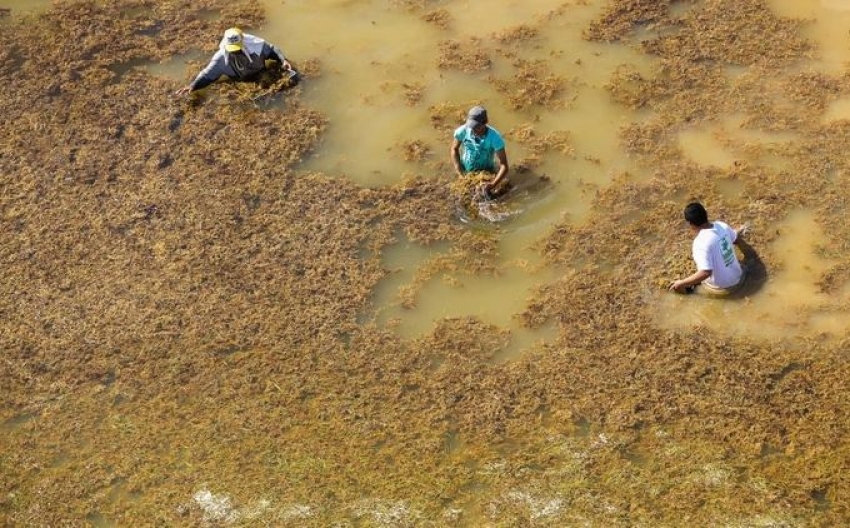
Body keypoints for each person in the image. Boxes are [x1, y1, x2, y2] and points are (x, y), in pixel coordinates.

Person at [175, 28, 294, 96]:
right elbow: (207, 75)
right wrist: (193, 86)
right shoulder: (221, 59)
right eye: (232, 49)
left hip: (263, 73)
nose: (235, 52)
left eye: (238, 49)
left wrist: (284, 60)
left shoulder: (256, 45)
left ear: (244, 42)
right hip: (243, 82)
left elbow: (273, 50)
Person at [669, 202, 747, 295]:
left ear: (690, 223)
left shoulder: (700, 243)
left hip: (722, 289)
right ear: (706, 214)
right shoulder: (722, 226)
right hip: (739, 276)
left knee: (678, 288)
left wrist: (681, 283)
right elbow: (736, 239)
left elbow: (706, 273)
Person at [450, 106, 510, 197]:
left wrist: (493, 184)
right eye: (471, 126)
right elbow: (454, 149)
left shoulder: (495, 138)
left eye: (477, 127)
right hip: (466, 170)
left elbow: (504, 165)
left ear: (484, 123)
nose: (473, 130)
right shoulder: (463, 131)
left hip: (487, 172)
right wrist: (459, 170)